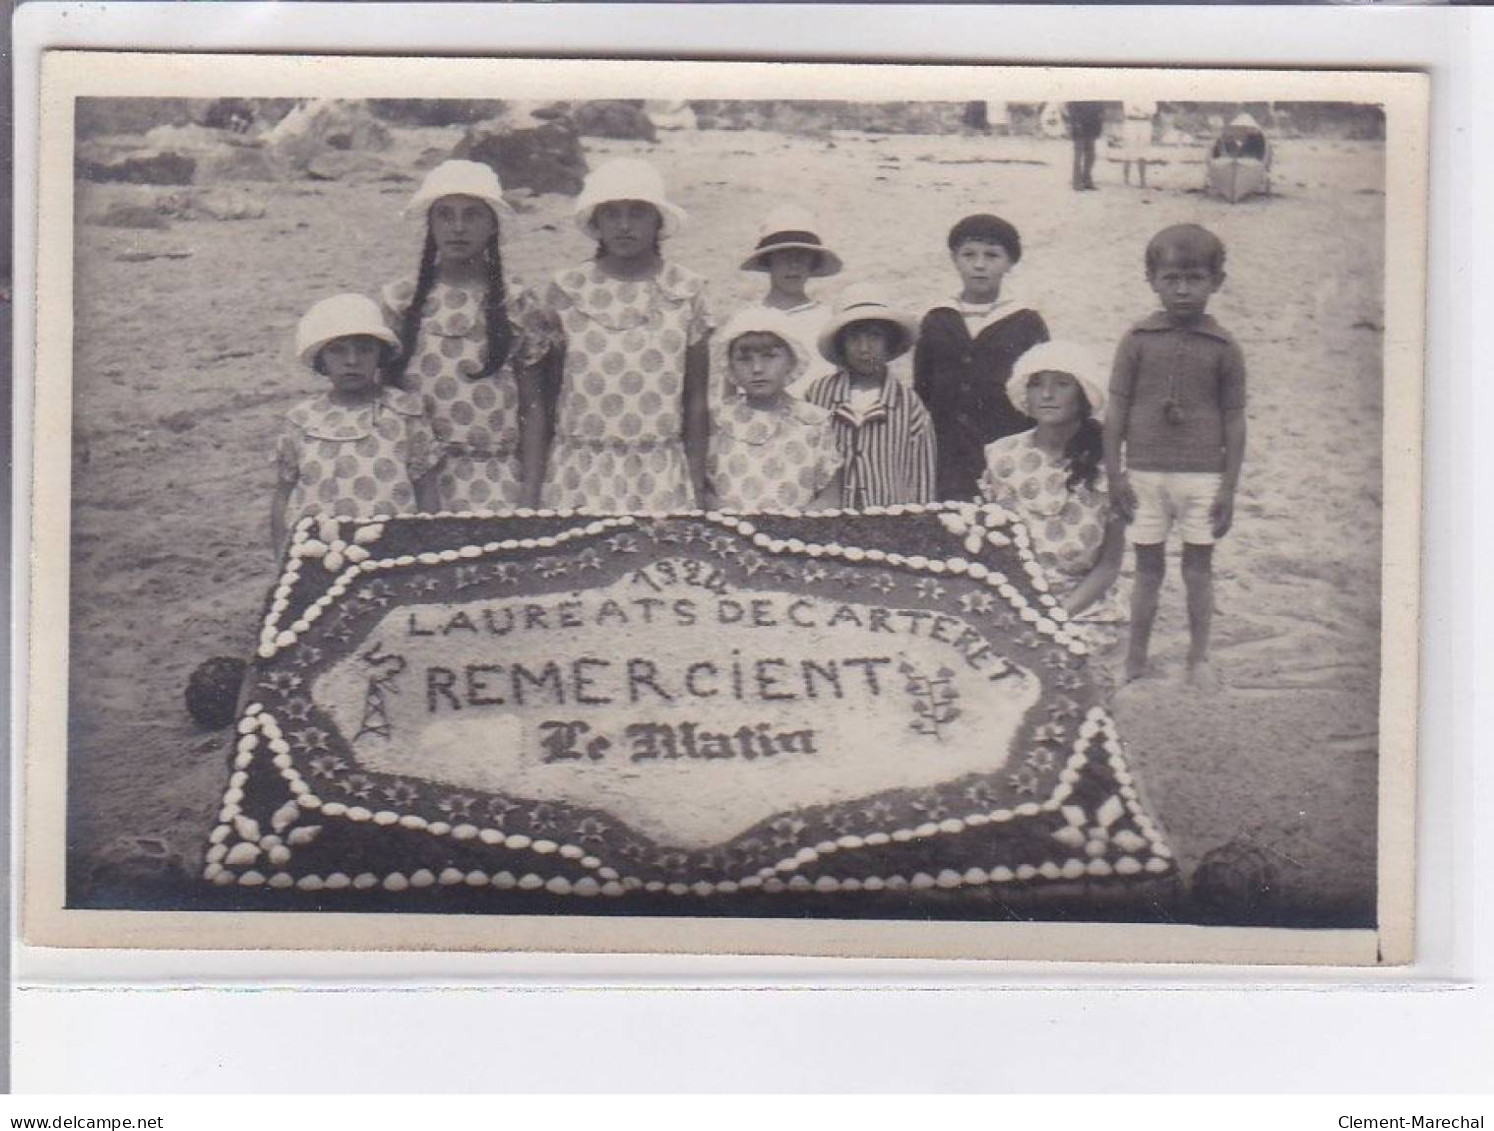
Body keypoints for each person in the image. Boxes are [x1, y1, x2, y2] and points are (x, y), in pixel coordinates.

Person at [1104, 224, 1247, 689]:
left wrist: (1229, 486)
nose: (1183, 289)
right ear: (1151, 279)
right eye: (1171, 278)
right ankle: (1136, 656)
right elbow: (1118, 409)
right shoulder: (1136, 340)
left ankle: (1199, 655)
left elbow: (1234, 419)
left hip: (1203, 477)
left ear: (1216, 282)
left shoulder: (1224, 347)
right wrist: (1114, 474)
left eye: (1194, 278)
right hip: (1144, 473)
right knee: (1146, 570)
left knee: (1198, 568)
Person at [380, 160, 555, 511]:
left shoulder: (516, 304)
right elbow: (382, 399)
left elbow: (533, 408)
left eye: (472, 215)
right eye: (445, 215)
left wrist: (530, 492)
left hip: (494, 479)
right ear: (430, 224)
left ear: (494, 225)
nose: (457, 227)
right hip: (415, 480)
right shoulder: (401, 301)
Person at [541, 158, 712, 511]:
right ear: (597, 222)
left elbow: (696, 398)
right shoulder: (567, 289)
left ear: (657, 222)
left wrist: (694, 482)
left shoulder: (686, 289)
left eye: (637, 213)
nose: (624, 225)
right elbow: (548, 393)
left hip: (659, 470)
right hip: (580, 469)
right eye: (611, 213)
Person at [980, 341, 1125, 647]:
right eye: (1036, 385)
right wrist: (1023, 608)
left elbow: (1109, 565)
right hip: (1014, 600)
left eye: (1061, 384)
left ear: (1083, 394)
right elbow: (992, 549)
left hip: (1084, 609)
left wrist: (1057, 614)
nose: (1047, 395)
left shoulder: (1111, 462)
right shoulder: (1002, 456)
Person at [271, 294, 440, 549]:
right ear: (321, 360)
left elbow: (426, 490)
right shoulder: (302, 420)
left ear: (379, 355)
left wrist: (426, 548)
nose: (352, 360)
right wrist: (282, 557)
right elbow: (284, 495)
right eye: (338, 350)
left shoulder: (404, 413)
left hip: (391, 552)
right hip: (318, 554)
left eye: (364, 349)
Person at [914, 213, 1050, 501]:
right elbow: (923, 388)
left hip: (1006, 444)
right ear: (954, 259)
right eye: (969, 254)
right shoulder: (937, 319)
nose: (979, 265)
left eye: (992, 255)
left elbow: (1039, 387)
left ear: (1010, 263)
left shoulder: (1025, 321)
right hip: (947, 452)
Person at [803, 284, 935, 508]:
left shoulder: (909, 406)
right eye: (854, 338)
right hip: (829, 520)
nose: (864, 348)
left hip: (886, 522)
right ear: (841, 343)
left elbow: (922, 480)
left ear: (889, 342)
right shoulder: (819, 395)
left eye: (874, 337)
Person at [706, 308, 842, 512]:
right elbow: (702, 489)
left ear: (791, 361)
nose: (757, 368)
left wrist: (793, 522)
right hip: (730, 534)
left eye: (770, 356)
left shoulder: (814, 421)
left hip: (794, 536)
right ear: (731, 366)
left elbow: (831, 497)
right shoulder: (718, 419)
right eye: (745, 359)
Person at [734, 203, 844, 395]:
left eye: (802, 255)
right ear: (768, 260)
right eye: (784, 255)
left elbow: (843, 385)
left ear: (813, 261)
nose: (794, 265)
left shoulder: (829, 322)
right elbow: (729, 390)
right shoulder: (746, 320)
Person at [1065, 101, 1107, 191]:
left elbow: (1100, 108)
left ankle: (1087, 180)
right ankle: (1076, 182)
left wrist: (1100, 120)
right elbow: (1071, 108)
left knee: (1091, 156)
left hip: (1092, 125)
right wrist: (1075, 123)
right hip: (1079, 125)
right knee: (1078, 155)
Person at [1121, 99, 1158, 188]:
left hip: (1145, 124)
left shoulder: (1150, 96)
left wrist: (1139, 109)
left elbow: (1152, 111)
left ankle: (1142, 180)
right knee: (1128, 150)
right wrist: (1143, 111)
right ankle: (1126, 179)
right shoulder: (1129, 95)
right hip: (1131, 123)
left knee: (1143, 151)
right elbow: (1127, 111)